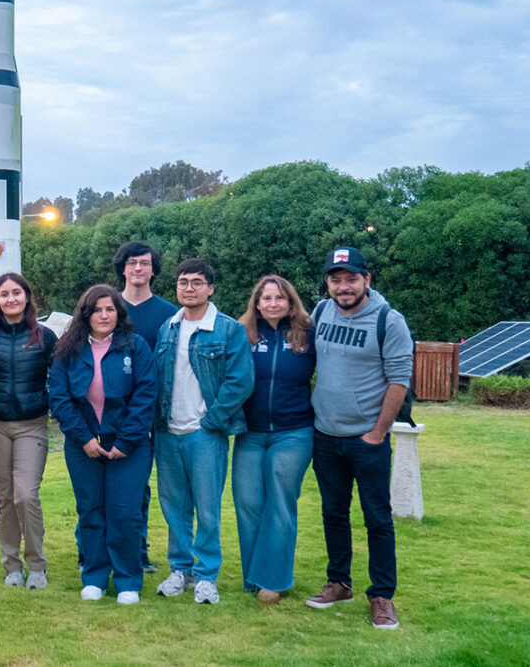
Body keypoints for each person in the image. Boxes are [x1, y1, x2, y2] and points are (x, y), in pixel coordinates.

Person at [306, 246, 412, 630]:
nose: (343, 286)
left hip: (367, 439)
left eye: (352, 278)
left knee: (377, 518)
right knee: (333, 513)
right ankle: (339, 583)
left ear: (367, 280)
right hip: (325, 435)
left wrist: (378, 432)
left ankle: (382, 596)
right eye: (336, 279)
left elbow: (400, 379)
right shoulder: (320, 312)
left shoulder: (388, 320)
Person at [49, 284, 157, 605]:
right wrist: (83, 439)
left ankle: (127, 580)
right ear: (86, 314)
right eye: (97, 310)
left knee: (124, 513)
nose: (104, 315)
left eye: (110, 309)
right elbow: (60, 398)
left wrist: (125, 441)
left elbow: (145, 395)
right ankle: (95, 576)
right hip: (83, 445)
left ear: (118, 313)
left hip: (129, 446)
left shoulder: (136, 347)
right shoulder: (68, 349)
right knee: (91, 512)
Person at [153, 258, 253, 605]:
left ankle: (207, 574)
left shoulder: (228, 330)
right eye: (183, 282)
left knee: (208, 508)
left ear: (210, 288)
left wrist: (212, 421)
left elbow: (240, 381)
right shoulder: (168, 327)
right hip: (168, 432)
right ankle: (181, 569)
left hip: (205, 434)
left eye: (197, 282)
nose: (189, 288)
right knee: (174, 506)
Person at [232, 275, 316, 606]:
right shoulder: (242, 335)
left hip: (293, 432)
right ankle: (255, 575)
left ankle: (275, 580)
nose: (272, 304)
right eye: (266, 298)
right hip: (250, 433)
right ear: (256, 302)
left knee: (280, 502)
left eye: (279, 298)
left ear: (290, 301)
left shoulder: (308, 335)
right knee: (248, 502)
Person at [0, 273, 57, 589]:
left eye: (16, 293)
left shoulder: (45, 336)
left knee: (26, 494)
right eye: (4, 294)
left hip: (31, 425)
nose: (11, 299)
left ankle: (36, 566)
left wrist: (48, 402)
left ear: (27, 296)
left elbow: (62, 376)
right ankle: (12, 566)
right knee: (5, 497)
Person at [113, 241, 178, 574]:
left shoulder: (168, 314)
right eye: (132, 263)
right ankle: (90, 548)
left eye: (145, 263)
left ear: (153, 270)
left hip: (150, 414)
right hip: (108, 413)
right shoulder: (107, 307)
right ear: (122, 268)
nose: (138, 268)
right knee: (98, 486)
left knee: (139, 486)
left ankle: (137, 549)